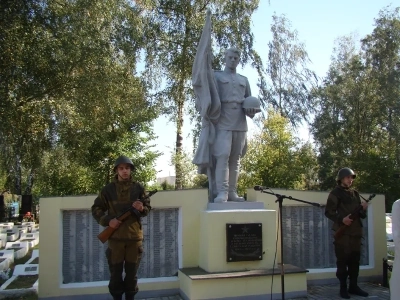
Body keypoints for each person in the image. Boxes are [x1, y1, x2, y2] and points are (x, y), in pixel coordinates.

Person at [91, 155, 151, 300]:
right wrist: (108, 221)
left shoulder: (138, 189)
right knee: (115, 275)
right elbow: (96, 209)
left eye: (127, 168)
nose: (125, 171)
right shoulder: (108, 190)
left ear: (131, 170)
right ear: (116, 170)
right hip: (115, 240)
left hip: (134, 239)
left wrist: (142, 207)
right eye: (121, 168)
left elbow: (147, 209)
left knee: (132, 276)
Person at [211, 47, 259, 203]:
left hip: (240, 122)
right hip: (223, 120)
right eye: (230, 57)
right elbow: (207, 94)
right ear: (225, 57)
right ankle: (222, 192)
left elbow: (249, 101)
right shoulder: (216, 76)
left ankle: (232, 192)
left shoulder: (243, 80)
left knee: (235, 159)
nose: (233, 60)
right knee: (222, 156)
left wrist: (251, 110)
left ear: (239, 60)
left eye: (236, 58)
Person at [325, 167, 369, 299]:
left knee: (355, 261)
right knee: (342, 262)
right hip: (343, 235)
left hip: (355, 233)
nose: (350, 180)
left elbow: (361, 215)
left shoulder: (355, 193)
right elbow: (329, 212)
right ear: (341, 178)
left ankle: (353, 286)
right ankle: (343, 288)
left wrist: (363, 208)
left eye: (352, 178)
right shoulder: (335, 193)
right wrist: (342, 219)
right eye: (348, 177)